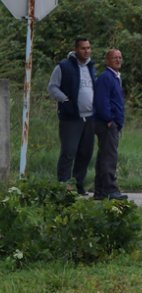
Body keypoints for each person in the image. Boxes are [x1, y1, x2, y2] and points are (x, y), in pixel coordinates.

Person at [47, 37, 96, 195]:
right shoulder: (64, 66)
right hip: (71, 118)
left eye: (88, 48)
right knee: (69, 152)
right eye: (83, 48)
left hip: (89, 117)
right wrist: (65, 100)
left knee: (85, 153)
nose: (86, 51)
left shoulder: (91, 67)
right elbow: (53, 87)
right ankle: (63, 185)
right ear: (76, 49)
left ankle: (79, 184)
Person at [93, 48, 128, 200]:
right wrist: (109, 120)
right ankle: (110, 189)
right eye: (114, 57)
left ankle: (100, 190)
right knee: (109, 157)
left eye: (120, 57)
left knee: (104, 156)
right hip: (107, 124)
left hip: (113, 124)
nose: (118, 60)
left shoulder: (116, 77)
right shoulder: (106, 77)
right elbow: (101, 101)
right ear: (107, 60)